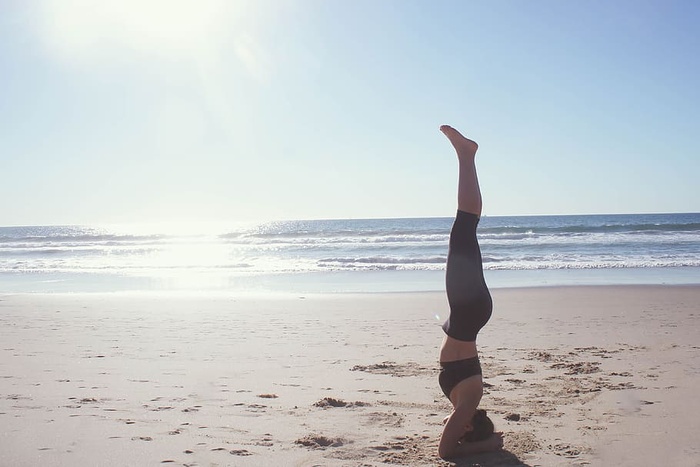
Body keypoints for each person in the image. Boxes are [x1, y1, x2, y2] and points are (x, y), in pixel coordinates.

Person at [437, 125, 504, 460]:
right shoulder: (468, 406)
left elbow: (451, 443)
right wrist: (487, 446)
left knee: (465, 229)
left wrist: (485, 443)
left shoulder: (466, 404)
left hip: (469, 314)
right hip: (467, 312)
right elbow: (445, 453)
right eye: (460, 430)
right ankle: (466, 155)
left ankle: (466, 156)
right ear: (467, 428)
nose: (452, 428)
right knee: (463, 227)